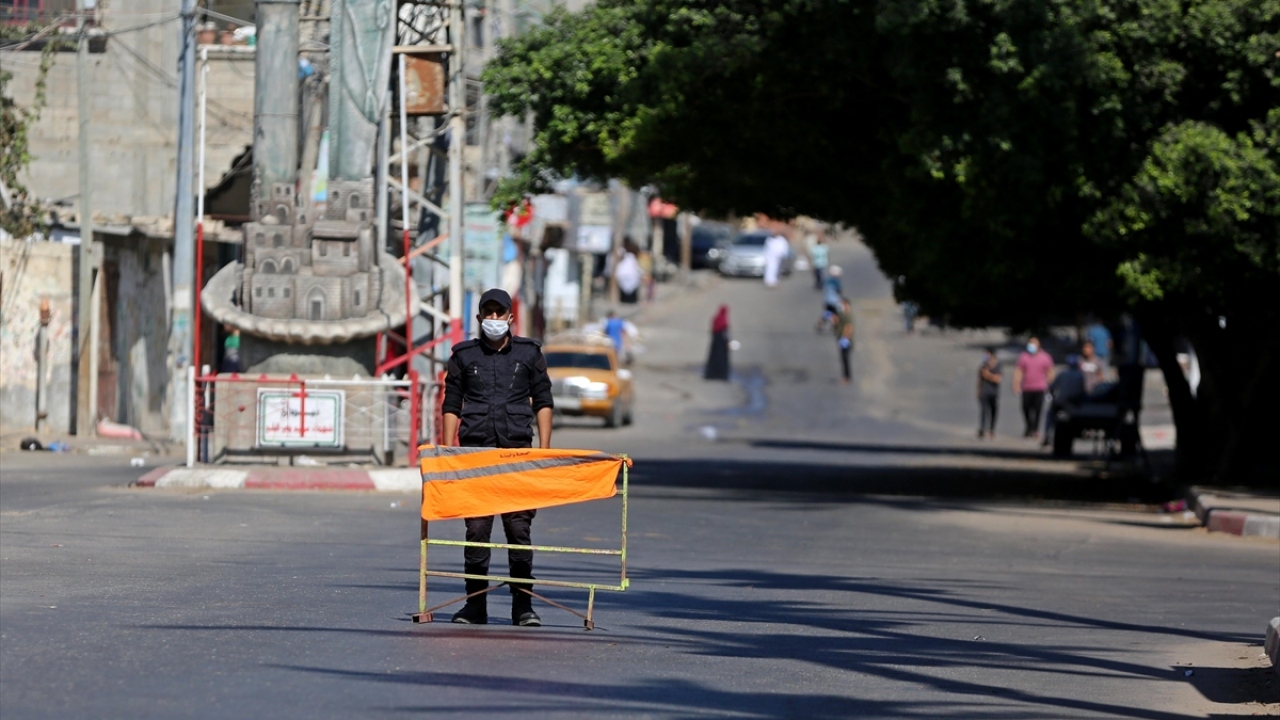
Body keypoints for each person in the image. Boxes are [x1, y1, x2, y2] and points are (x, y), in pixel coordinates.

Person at [442, 288, 554, 627]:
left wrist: (545, 452)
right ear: (478, 318)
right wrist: (448, 452)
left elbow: (543, 400)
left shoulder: (529, 354)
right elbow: (452, 403)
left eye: (499, 312)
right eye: (487, 313)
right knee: (476, 531)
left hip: (518, 455)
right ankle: (475, 606)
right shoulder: (463, 356)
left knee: (518, 532)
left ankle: (523, 607)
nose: (493, 319)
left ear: (510, 317)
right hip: (475, 456)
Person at [1012, 337, 1055, 439]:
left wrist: (1051, 385)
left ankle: (1035, 429)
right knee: (1025, 408)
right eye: (1030, 343)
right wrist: (1016, 384)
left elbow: (1050, 372)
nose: (1031, 346)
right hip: (1027, 388)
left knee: (1038, 410)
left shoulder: (1045, 357)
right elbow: (1019, 371)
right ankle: (1029, 426)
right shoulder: (1024, 357)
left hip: (1039, 388)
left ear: (1039, 346)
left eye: (1034, 344)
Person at [1043, 354, 1087, 447]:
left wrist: (1052, 395)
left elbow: (1052, 387)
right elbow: (1082, 390)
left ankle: (1047, 433)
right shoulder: (1080, 375)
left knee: (1050, 415)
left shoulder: (1062, 374)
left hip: (1060, 401)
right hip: (1073, 403)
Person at [976, 347, 1002, 438]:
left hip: (993, 393)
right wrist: (978, 391)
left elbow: (998, 379)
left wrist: (988, 375)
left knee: (993, 411)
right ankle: (982, 429)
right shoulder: (983, 366)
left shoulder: (997, 366)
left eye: (987, 354)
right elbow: (980, 380)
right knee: (983, 411)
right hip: (984, 392)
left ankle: (992, 429)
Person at [704, 304, 731, 380]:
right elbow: (725, 334)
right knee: (721, 360)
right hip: (722, 344)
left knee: (714, 358)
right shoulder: (724, 320)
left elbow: (713, 330)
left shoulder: (716, 319)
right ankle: (720, 375)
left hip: (715, 343)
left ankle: (712, 374)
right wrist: (727, 343)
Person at [614, 240, 642, 304]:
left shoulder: (629, 255)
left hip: (626, 273)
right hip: (629, 274)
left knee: (628, 289)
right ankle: (628, 300)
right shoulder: (628, 255)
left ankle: (627, 300)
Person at [834, 297, 854, 383]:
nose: (841, 306)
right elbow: (837, 324)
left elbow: (849, 327)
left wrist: (845, 338)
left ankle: (847, 377)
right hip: (842, 338)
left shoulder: (847, 315)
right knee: (843, 358)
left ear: (846, 305)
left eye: (842, 304)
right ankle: (846, 376)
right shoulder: (842, 314)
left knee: (845, 358)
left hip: (845, 339)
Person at [817, 265, 844, 332]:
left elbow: (823, 288)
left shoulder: (827, 280)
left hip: (827, 300)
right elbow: (839, 290)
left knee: (828, 312)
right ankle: (834, 325)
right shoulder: (836, 281)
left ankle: (822, 321)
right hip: (834, 300)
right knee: (836, 313)